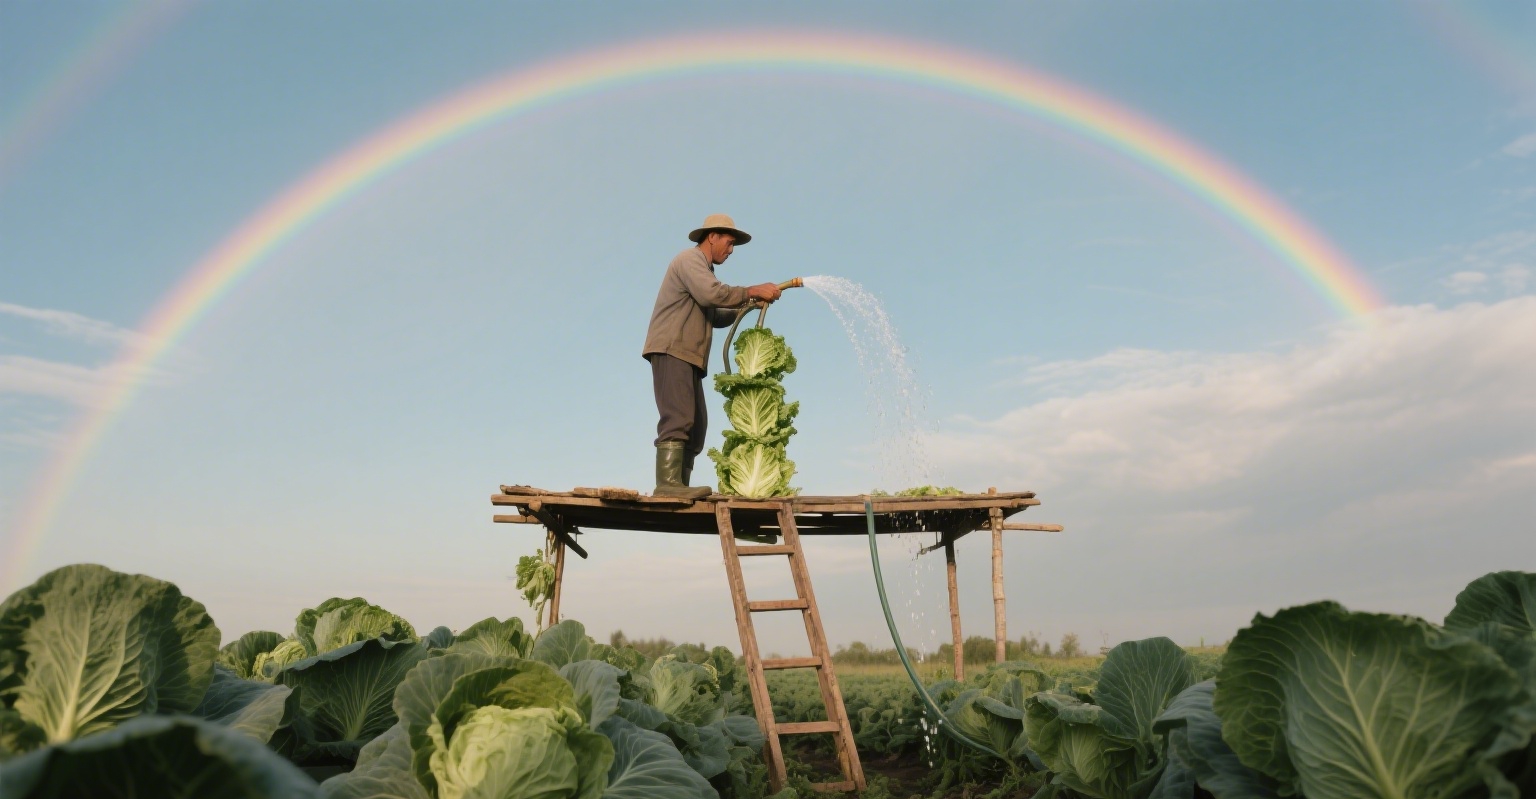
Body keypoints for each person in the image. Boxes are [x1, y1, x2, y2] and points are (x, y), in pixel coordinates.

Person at [642, 214, 783, 498]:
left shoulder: (705, 271)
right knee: (678, 416)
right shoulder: (689, 260)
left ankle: (680, 485)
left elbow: (716, 313)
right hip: (672, 348)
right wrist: (751, 290)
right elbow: (711, 295)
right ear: (712, 236)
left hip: (690, 355)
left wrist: (749, 303)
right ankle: (667, 486)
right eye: (729, 243)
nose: (730, 251)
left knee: (697, 426)